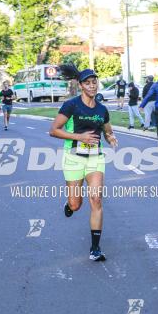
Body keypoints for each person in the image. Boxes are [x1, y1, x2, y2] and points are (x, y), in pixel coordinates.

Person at [49, 64, 117, 262]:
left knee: (96, 200)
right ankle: (70, 205)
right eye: (87, 83)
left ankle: (95, 249)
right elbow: (54, 130)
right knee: (76, 204)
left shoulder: (102, 109)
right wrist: (79, 137)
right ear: (81, 86)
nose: (92, 85)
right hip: (73, 158)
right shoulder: (71, 105)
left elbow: (107, 129)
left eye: (94, 82)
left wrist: (111, 137)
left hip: (95, 159)